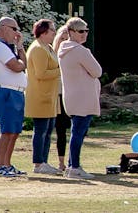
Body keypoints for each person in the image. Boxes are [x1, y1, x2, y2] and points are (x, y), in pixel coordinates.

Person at [51, 18, 98, 179]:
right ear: (71, 32)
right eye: (80, 31)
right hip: (83, 97)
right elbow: (97, 71)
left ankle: (72, 164)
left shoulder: (62, 50)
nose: (84, 34)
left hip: (71, 96)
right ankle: (74, 166)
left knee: (76, 131)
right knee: (78, 132)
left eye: (86, 31)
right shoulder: (80, 51)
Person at [0, 17, 28, 177]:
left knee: (14, 131)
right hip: (6, 91)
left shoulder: (8, 47)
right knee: (7, 131)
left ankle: (7, 164)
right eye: (14, 29)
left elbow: (23, 64)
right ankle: (0, 165)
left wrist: (20, 47)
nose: (17, 33)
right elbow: (17, 66)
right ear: (4, 28)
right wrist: (20, 60)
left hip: (15, 91)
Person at [24, 19, 61, 176]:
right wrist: (60, 71)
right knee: (41, 131)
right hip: (40, 96)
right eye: (52, 30)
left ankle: (44, 161)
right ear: (44, 32)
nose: (54, 32)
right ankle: (38, 163)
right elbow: (40, 73)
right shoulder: (38, 48)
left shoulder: (49, 47)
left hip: (51, 96)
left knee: (48, 130)